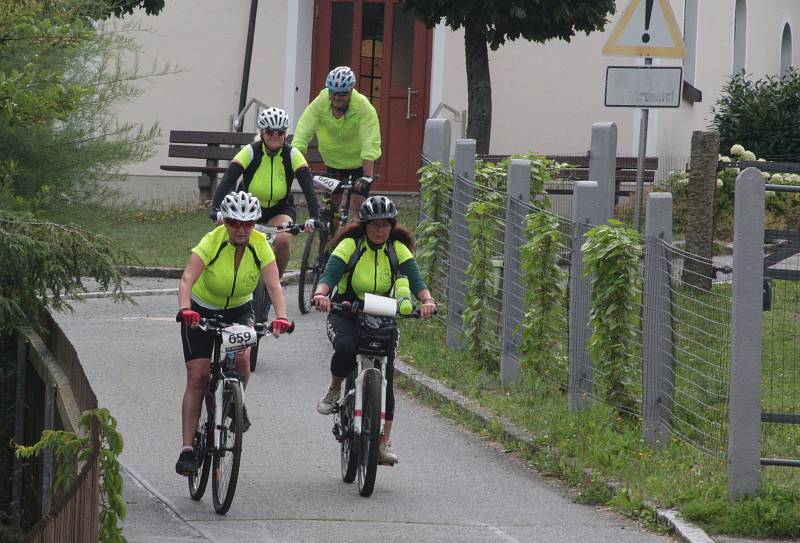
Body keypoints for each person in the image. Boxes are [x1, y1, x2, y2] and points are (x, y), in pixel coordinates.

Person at [311, 195, 436, 465]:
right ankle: (335, 388)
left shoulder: (396, 248)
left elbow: (415, 278)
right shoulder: (350, 245)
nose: (381, 230)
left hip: (381, 314)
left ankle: (382, 443)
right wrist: (321, 294)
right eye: (375, 224)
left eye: (386, 224)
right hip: (346, 310)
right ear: (365, 225)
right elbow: (330, 275)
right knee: (345, 347)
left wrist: (426, 300)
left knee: (386, 375)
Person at [175, 191, 293, 476]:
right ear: (225, 222)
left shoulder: (259, 245)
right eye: (234, 223)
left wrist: (282, 318)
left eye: (247, 223)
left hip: (239, 310)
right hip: (201, 310)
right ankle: (188, 449)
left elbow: (274, 285)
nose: (241, 229)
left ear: (254, 224)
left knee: (242, 360)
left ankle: (234, 402)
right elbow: (188, 278)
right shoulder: (211, 241)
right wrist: (186, 309)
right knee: (198, 377)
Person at [211, 106, 320, 277]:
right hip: (248, 208)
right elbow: (228, 180)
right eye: (270, 132)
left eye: (280, 132)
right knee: (238, 240)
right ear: (262, 133)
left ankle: (274, 284)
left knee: (283, 241)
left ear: (285, 133)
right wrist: (216, 208)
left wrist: (314, 216)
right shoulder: (250, 151)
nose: (275, 136)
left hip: (280, 208)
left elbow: (308, 187)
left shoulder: (292, 154)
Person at [292, 66, 381, 216]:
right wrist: (295, 158)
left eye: (342, 94)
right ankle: (328, 237)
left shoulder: (364, 107)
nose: (337, 98)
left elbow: (370, 142)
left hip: (358, 164)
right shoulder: (321, 101)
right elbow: (304, 129)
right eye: (333, 93)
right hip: (333, 163)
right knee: (330, 208)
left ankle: (354, 237)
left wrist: (367, 177)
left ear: (351, 90)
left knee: (357, 206)